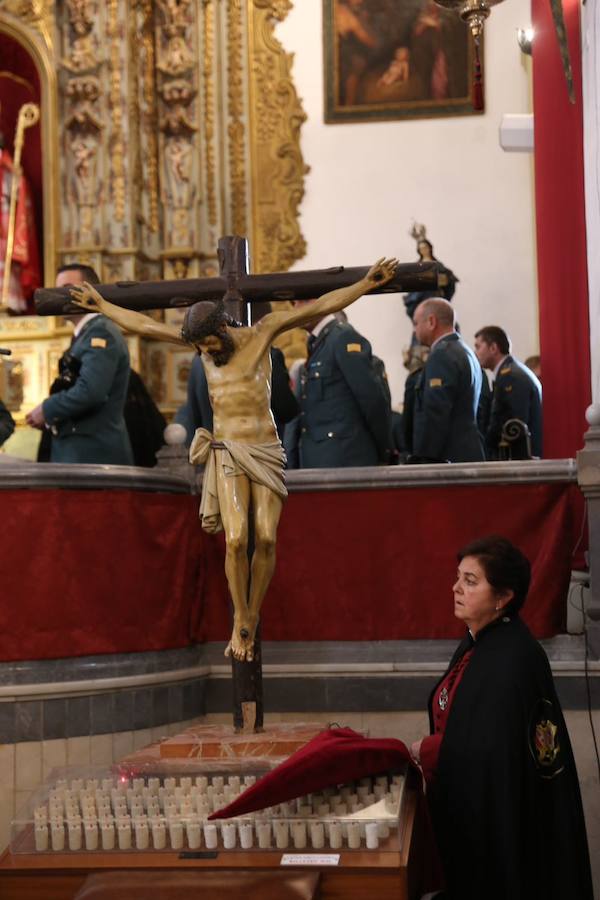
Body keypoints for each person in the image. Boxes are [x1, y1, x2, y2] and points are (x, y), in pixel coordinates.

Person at [67, 258, 398, 661]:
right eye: (199, 346)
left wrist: (365, 283)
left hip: (264, 448)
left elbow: (318, 307)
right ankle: (241, 618)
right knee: (237, 539)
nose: (205, 352)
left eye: (208, 343)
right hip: (226, 451)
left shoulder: (262, 335)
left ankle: (251, 615)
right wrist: (101, 305)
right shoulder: (202, 349)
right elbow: (146, 326)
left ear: (221, 329)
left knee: (268, 537)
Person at [410, 535, 594, 900]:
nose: (456, 587)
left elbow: (495, 751)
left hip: (501, 817)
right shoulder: (480, 641)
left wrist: (427, 751)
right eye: (458, 577)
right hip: (469, 807)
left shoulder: (514, 660)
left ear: (503, 597)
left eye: (470, 581)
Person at [25, 263, 134, 465]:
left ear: (90, 291)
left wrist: (47, 409)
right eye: (58, 289)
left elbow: (91, 391)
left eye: (67, 287)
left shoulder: (100, 332)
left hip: (93, 454)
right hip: (80, 453)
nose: (60, 295)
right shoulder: (86, 334)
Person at [284, 303, 392, 468]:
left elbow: (371, 399)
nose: (296, 308)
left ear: (322, 300)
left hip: (345, 461)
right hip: (318, 461)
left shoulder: (342, 337)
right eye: (294, 303)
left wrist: (384, 450)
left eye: (302, 301)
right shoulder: (319, 343)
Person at [175, 345, 298, 445]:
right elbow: (287, 412)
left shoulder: (199, 360)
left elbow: (194, 418)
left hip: (215, 457)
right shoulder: (265, 354)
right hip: (259, 457)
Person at [410, 298, 484, 462]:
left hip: (448, 457)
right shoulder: (465, 351)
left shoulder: (442, 354)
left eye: (416, 323)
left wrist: (426, 458)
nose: (414, 331)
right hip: (467, 451)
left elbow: (436, 411)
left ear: (431, 321)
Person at [474, 325, 542, 458]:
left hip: (520, 458)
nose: (475, 353)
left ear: (493, 348)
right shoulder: (510, 372)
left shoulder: (511, 377)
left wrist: (487, 443)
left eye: (478, 347)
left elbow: (515, 424)